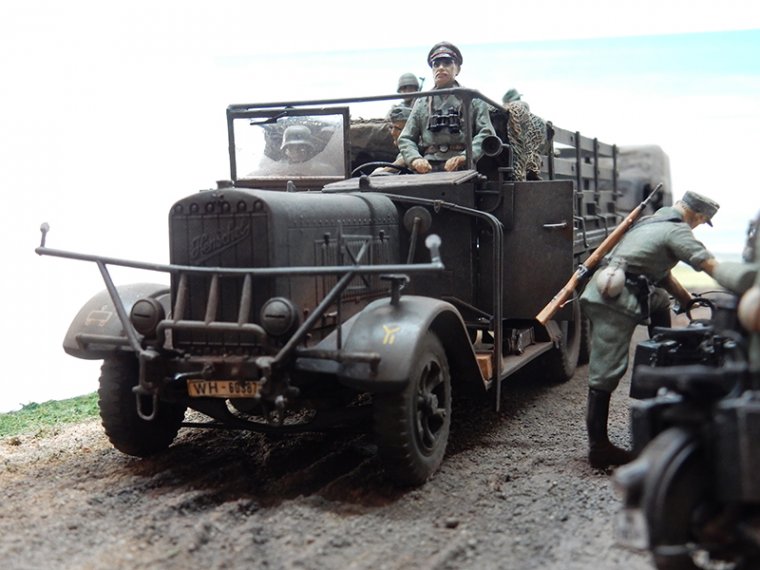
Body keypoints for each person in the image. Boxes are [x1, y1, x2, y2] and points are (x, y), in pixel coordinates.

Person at [579, 191, 725, 468]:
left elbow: (662, 273)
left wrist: (686, 299)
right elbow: (708, 264)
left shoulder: (651, 222)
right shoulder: (676, 231)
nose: (698, 225)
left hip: (630, 289)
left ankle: (661, 352)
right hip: (614, 299)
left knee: (659, 300)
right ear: (698, 216)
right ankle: (599, 448)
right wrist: (745, 285)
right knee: (605, 372)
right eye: (701, 221)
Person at [397, 41, 496, 174]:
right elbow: (406, 138)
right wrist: (415, 159)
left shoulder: (472, 99)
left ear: (457, 69)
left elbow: (486, 133)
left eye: (447, 63)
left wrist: (465, 156)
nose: (440, 68)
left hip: (462, 167)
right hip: (428, 167)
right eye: (436, 64)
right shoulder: (422, 102)